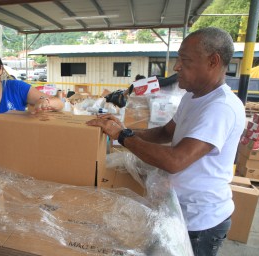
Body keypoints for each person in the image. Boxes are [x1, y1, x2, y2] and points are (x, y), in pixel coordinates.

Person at [87, 27, 245, 256]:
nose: (176, 67)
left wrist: (122, 136)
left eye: (185, 60)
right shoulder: (193, 97)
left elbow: (175, 160)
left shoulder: (221, 108)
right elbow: (165, 133)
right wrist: (122, 129)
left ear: (213, 61)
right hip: (174, 210)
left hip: (199, 223)